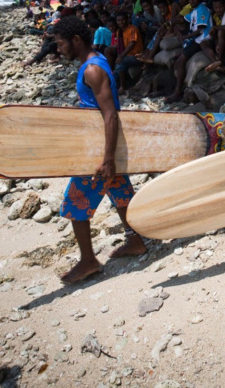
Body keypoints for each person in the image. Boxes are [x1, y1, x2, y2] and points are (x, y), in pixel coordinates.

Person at [52, 16, 146, 284]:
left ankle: (88, 260)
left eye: (61, 44)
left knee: (75, 204)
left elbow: (110, 115)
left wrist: (107, 159)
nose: (59, 49)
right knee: (121, 192)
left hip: (101, 148)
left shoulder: (93, 70)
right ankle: (135, 240)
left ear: (76, 40)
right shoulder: (95, 62)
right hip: (107, 144)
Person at [165, 0, 214, 102]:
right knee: (177, 58)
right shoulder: (195, 10)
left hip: (202, 38)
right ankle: (176, 89)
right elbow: (183, 19)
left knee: (180, 61)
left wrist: (186, 36)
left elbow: (200, 30)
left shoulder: (202, 9)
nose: (191, 1)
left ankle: (177, 92)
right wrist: (170, 22)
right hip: (196, 38)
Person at [112, 12, 144, 95]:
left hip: (136, 55)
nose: (121, 22)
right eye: (118, 20)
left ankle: (122, 87)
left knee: (121, 62)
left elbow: (131, 44)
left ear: (127, 20)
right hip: (127, 56)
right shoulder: (119, 32)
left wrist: (121, 56)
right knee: (117, 69)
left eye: (122, 20)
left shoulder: (132, 29)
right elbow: (119, 46)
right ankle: (112, 85)